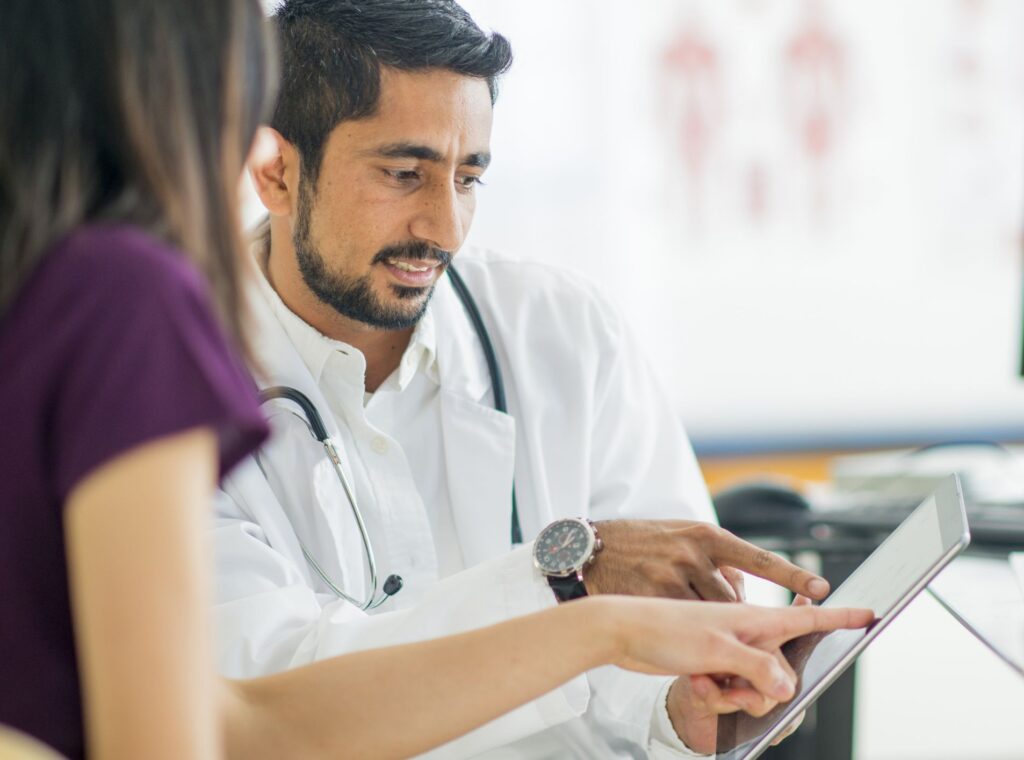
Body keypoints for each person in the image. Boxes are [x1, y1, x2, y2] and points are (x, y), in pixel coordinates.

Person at [0, 1, 875, 759]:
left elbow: (668, 644)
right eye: (403, 174)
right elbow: (254, 697)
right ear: (275, 171)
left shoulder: (562, 327)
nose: (444, 225)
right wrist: (572, 588)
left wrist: (687, 707)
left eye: (469, 177)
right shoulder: (145, 330)